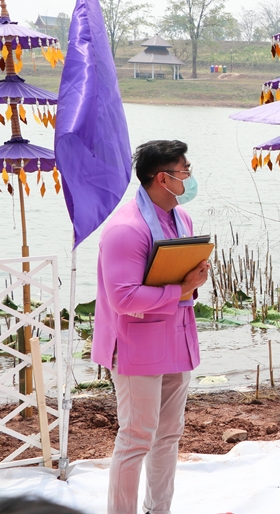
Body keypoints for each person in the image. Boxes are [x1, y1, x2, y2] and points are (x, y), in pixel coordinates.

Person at [93, 140, 210, 514]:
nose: (190, 177)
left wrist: (194, 280)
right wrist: (182, 288)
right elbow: (123, 299)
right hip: (136, 344)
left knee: (169, 434)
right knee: (136, 437)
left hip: (175, 340)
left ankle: (158, 509)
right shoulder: (126, 229)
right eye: (185, 171)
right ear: (163, 178)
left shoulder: (181, 219)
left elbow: (178, 280)